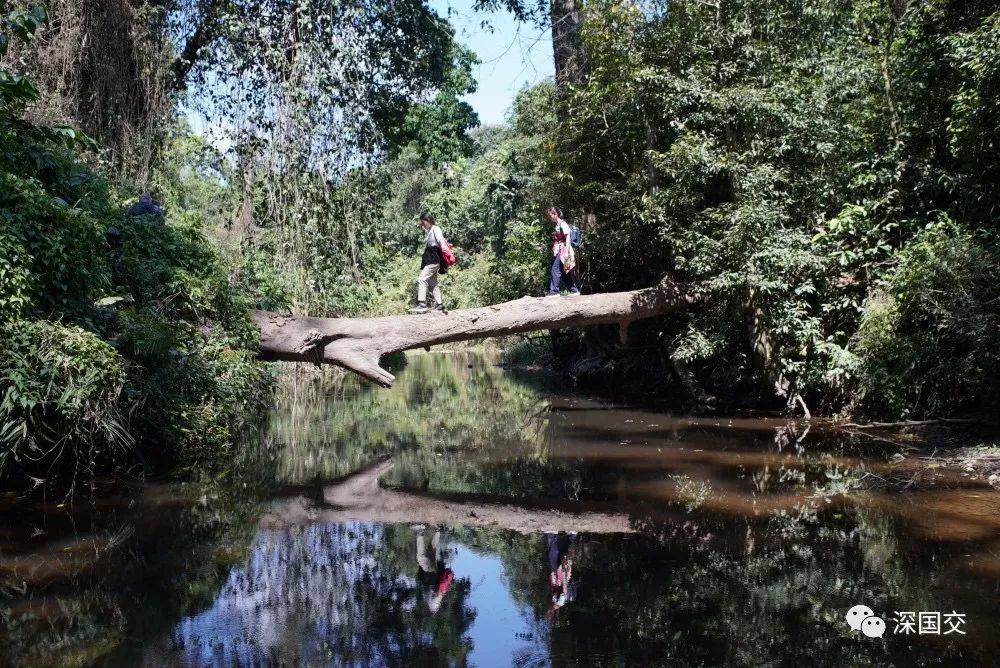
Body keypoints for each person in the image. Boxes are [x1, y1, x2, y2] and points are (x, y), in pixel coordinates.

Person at [410, 212, 448, 314]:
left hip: (433, 260)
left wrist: (446, 252)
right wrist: (426, 231)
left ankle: (422, 304)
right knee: (433, 283)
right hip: (431, 259)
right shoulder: (430, 230)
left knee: (422, 279)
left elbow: (440, 241)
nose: (423, 224)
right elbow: (431, 241)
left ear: (427, 220)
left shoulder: (436, 229)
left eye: (423, 222)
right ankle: (440, 305)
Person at [414, 524, 454, 614]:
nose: (421, 610)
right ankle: (420, 532)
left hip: (433, 574)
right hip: (430, 575)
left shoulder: (432, 605)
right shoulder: (433, 607)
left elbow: (438, 594)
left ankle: (437, 531)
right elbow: (438, 594)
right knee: (421, 557)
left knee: (431, 551)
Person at [546, 206, 579, 296]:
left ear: (555, 214)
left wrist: (567, 251)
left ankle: (554, 292)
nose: (550, 218)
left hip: (563, 249)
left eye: (550, 215)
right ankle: (574, 290)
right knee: (564, 272)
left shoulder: (562, 224)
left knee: (555, 269)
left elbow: (568, 237)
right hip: (560, 249)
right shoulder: (558, 225)